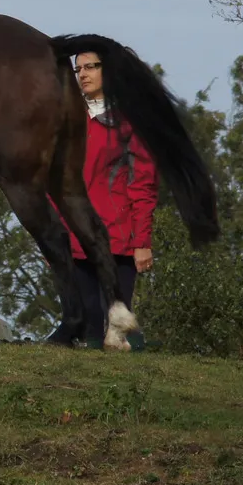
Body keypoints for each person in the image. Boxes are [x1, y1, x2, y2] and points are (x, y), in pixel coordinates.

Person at [67, 49, 157, 347]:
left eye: (91, 67)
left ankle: (138, 380)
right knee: (89, 325)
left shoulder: (131, 122)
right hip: (76, 237)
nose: (83, 74)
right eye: (78, 68)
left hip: (118, 238)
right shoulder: (68, 117)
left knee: (119, 324)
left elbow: (143, 184)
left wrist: (142, 241)